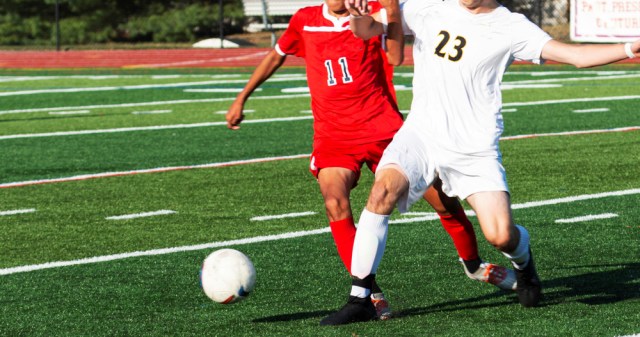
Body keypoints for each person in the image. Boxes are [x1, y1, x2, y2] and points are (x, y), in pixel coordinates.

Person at [319, 0, 640, 325]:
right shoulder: (425, 8)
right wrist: (360, 19)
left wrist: (631, 46)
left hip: (473, 147)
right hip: (420, 135)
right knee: (382, 193)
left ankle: (523, 262)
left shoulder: (511, 25)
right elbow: (368, 30)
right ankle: (359, 298)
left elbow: (577, 56)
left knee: (500, 235)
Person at [226, 0, 517, 322]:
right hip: (334, 136)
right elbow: (276, 55)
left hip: (384, 130)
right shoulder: (305, 20)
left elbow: (395, 57)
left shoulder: (374, 14)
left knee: (442, 200)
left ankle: (474, 265)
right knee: (334, 201)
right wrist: (242, 97)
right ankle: (368, 291)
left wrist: (387, 14)